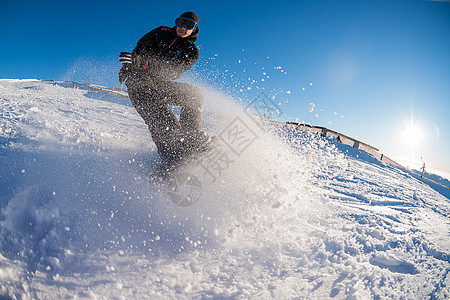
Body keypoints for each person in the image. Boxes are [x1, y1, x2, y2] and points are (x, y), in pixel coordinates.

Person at [119, 12, 213, 160]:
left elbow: (172, 73)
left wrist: (145, 64)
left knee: (194, 94)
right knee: (142, 85)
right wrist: (130, 64)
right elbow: (140, 48)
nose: (182, 27)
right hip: (139, 80)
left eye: (188, 25)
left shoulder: (191, 51)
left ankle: (190, 139)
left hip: (160, 82)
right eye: (180, 22)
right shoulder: (160, 32)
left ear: (194, 29)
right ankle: (171, 143)